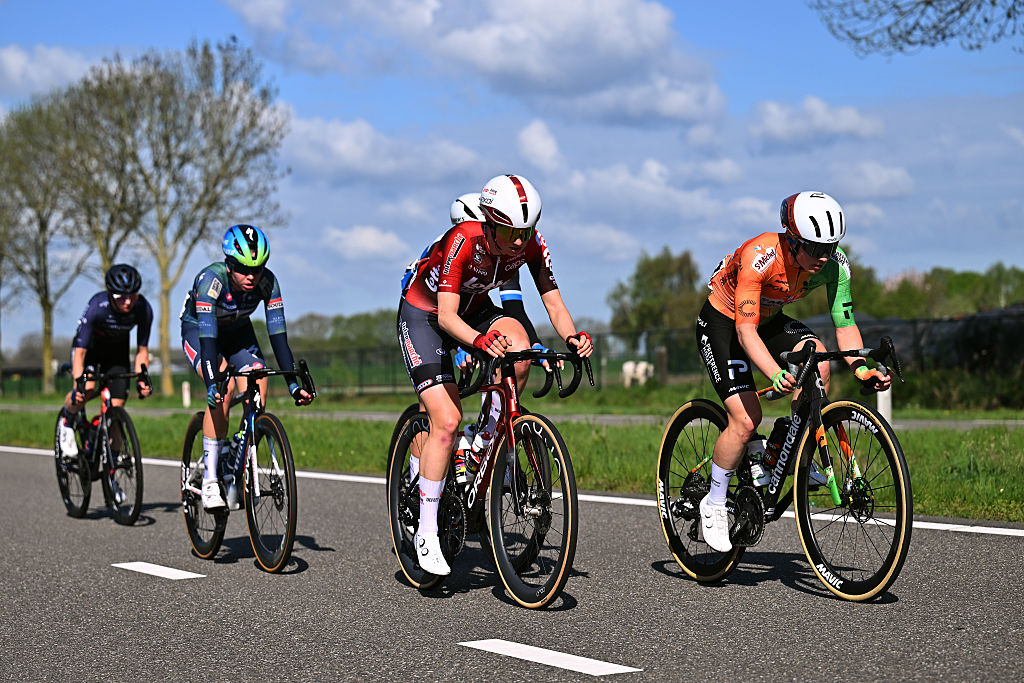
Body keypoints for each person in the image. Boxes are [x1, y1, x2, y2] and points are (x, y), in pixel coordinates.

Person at [397, 174, 593, 575]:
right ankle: (427, 531)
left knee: (519, 351)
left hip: (471, 309)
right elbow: (447, 317)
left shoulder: (531, 243)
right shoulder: (463, 241)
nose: (521, 242)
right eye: (511, 233)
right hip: (426, 314)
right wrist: (480, 342)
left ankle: (486, 439)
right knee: (447, 420)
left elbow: (553, 304)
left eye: (527, 231)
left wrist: (573, 337)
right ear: (489, 220)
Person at [696, 191, 891, 552]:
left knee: (819, 361)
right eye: (814, 248)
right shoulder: (761, 255)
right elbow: (744, 331)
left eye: (830, 248)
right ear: (791, 238)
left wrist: (862, 369)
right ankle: (715, 500)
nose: (823, 257)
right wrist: (773, 373)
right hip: (724, 324)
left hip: (769, 322)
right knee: (746, 419)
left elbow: (844, 325)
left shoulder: (836, 266)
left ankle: (791, 450)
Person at [179, 224, 314, 510]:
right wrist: (213, 382)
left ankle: (241, 447)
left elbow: (279, 339)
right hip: (201, 332)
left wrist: (292, 383)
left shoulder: (268, 283)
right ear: (229, 265)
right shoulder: (210, 281)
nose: (251, 276)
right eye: (243, 268)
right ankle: (211, 480)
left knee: (259, 379)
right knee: (224, 390)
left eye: (258, 268)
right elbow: (208, 341)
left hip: (239, 331)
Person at [57, 264, 154, 464]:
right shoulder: (97, 307)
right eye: (121, 297)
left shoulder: (143, 309)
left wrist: (142, 378)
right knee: (88, 389)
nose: (128, 302)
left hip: (116, 353)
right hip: (90, 350)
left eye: (133, 296)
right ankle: (66, 420)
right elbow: (80, 352)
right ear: (110, 295)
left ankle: (112, 472)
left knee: (117, 412)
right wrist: (79, 383)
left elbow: (142, 351)